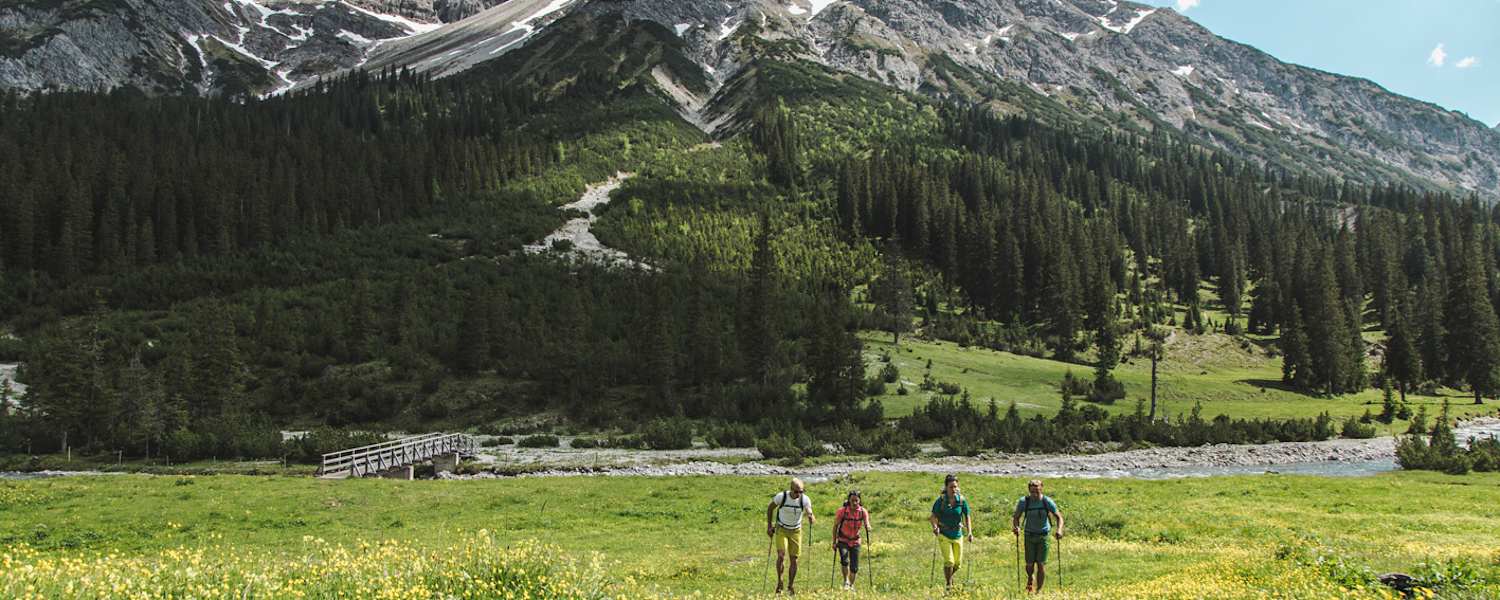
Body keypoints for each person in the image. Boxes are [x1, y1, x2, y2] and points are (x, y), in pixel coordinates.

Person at [1011, 479, 1064, 594]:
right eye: (1032, 492)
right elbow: (1016, 517)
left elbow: (1059, 517)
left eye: (1037, 491)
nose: (1034, 494)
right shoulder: (1024, 502)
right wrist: (1016, 527)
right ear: (1029, 490)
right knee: (1029, 564)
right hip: (1029, 535)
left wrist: (1059, 530)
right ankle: (1030, 578)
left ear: (1041, 489)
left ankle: (1038, 591)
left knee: (1041, 564)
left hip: (1043, 536)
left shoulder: (1047, 501)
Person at [767, 477, 816, 595]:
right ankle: (780, 582)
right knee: (781, 555)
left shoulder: (804, 499)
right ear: (791, 489)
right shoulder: (782, 497)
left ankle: (790, 585)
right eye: (796, 491)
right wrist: (769, 525)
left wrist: (811, 516)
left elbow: (809, 510)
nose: (798, 494)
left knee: (794, 559)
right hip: (781, 529)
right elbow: (770, 508)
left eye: (801, 491)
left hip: (796, 531)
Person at [929, 473, 972, 591]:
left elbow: (967, 516)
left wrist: (969, 532)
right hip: (944, 534)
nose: (953, 489)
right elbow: (933, 517)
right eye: (951, 487)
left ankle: (949, 577)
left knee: (957, 564)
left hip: (958, 534)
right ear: (946, 487)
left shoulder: (961, 500)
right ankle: (949, 586)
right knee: (949, 561)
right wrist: (935, 527)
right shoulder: (941, 500)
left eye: (955, 487)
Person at [831, 489, 872, 591]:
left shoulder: (863, 512)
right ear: (849, 500)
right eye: (852, 500)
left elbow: (867, 522)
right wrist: (834, 541)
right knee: (845, 560)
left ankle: (851, 585)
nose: (854, 503)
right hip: (843, 539)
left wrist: (868, 527)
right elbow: (835, 526)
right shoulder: (842, 511)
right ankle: (846, 581)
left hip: (855, 541)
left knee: (854, 567)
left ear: (859, 500)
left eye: (856, 500)